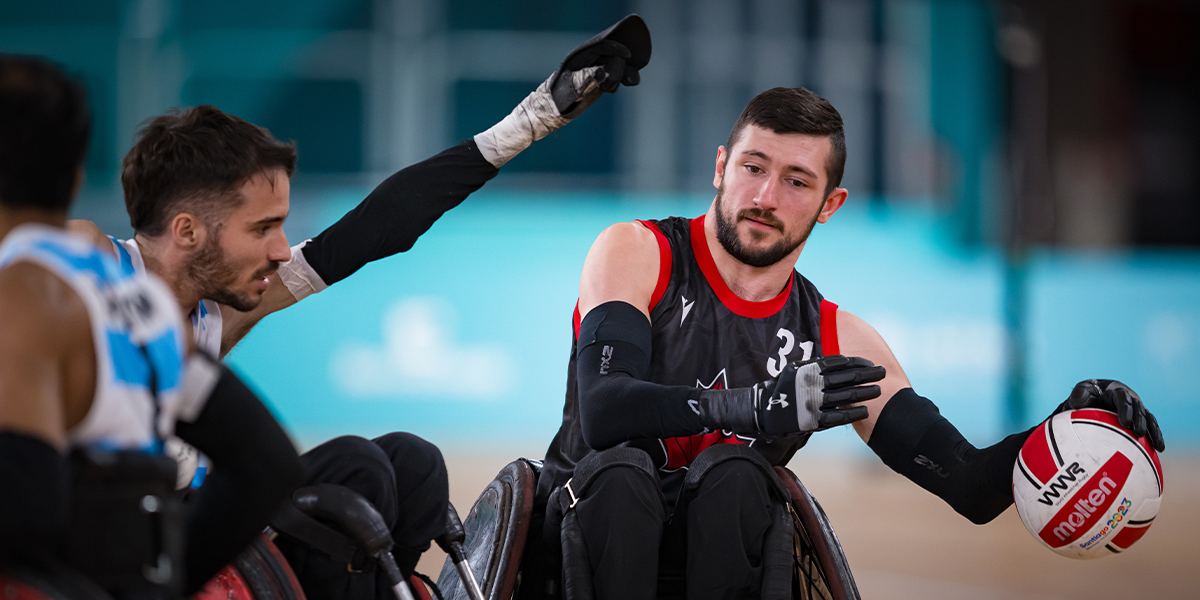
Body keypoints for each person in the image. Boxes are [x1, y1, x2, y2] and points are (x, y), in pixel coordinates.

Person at [68, 15, 651, 600]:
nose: (280, 250)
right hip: (132, 549)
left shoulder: (218, 308)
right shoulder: (86, 266)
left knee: (414, 462)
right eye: (263, 229)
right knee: (356, 467)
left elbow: (376, 229)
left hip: (211, 535)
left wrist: (535, 117)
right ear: (188, 230)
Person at [536, 87, 1166, 599]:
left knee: (735, 475)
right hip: (582, 549)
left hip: (721, 560)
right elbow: (605, 408)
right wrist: (755, 406)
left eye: (796, 182)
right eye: (753, 169)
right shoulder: (639, 251)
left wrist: (1068, 429)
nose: (764, 197)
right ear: (722, 167)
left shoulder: (836, 338)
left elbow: (971, 487)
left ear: (829, 204)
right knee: (621, 474)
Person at [0, 55, 302, 598]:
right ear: (71, 178)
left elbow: (28, 514)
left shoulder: (21, 297)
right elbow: (266, 462)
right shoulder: (145, 304)